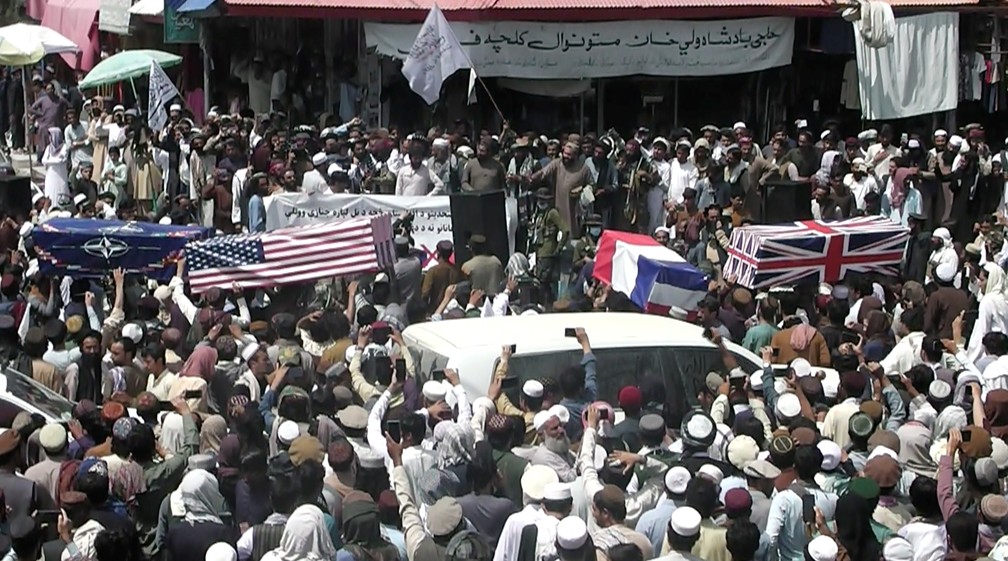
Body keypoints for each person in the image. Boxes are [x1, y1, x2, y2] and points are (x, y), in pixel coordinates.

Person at [42, 127, 69, 207]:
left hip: (60, 176)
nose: (50, 138)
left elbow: (61, 160)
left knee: (61, 192)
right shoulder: (48, 148)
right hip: (50, 176)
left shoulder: (64, 147)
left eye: (51, 136)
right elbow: (43, 160)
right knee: (50, 193)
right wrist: (53, 161)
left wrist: (50, 161)